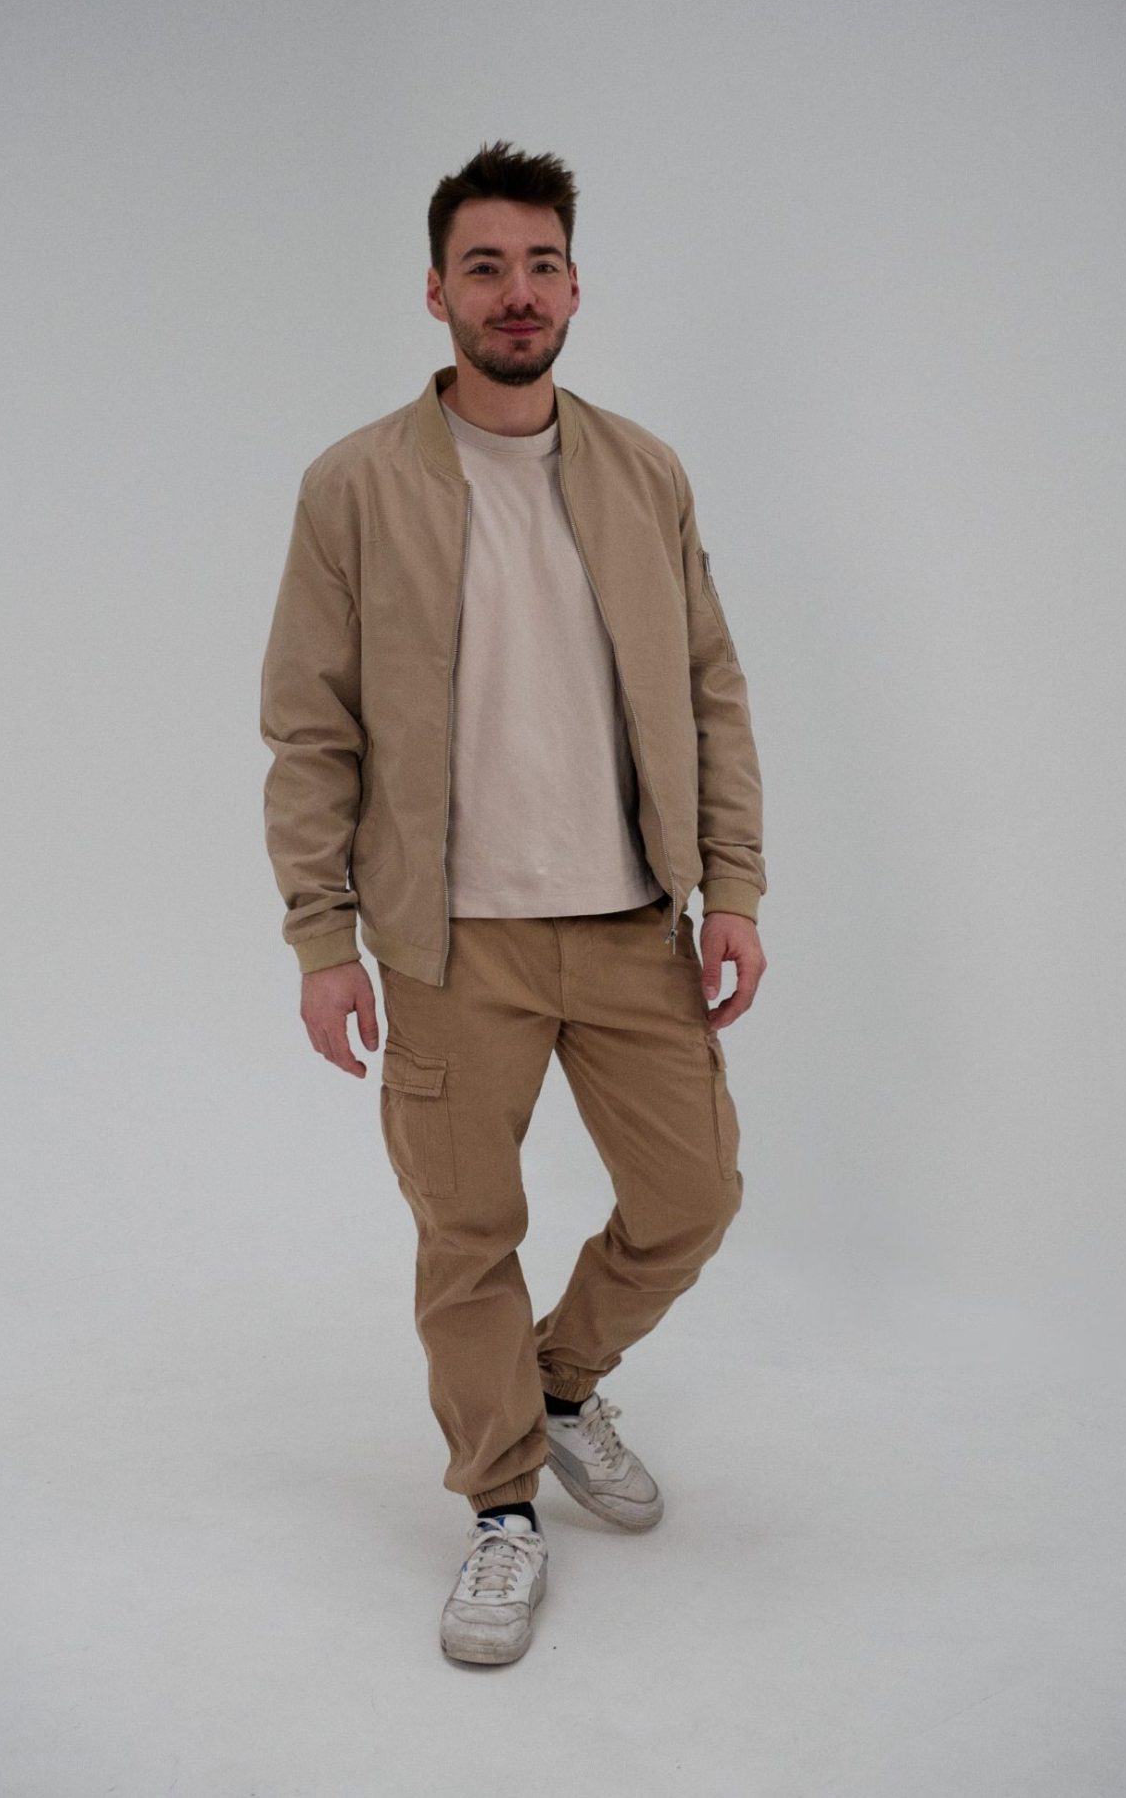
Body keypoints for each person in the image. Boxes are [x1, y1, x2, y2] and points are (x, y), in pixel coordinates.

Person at [259, 139, 767, 1666]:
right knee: (466, 1230)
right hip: (447, 942)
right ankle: (499, 1505)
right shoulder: (355, 484)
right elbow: (311, 726)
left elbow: (710, 688)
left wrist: (731, 885)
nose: (515, 291)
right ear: (436, 293)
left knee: (693, 1197)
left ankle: (553, 1384)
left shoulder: (643, 471)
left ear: (574, 288)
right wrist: (321, 936)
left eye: (540, 264)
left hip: (629, 923)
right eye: (483, 266)